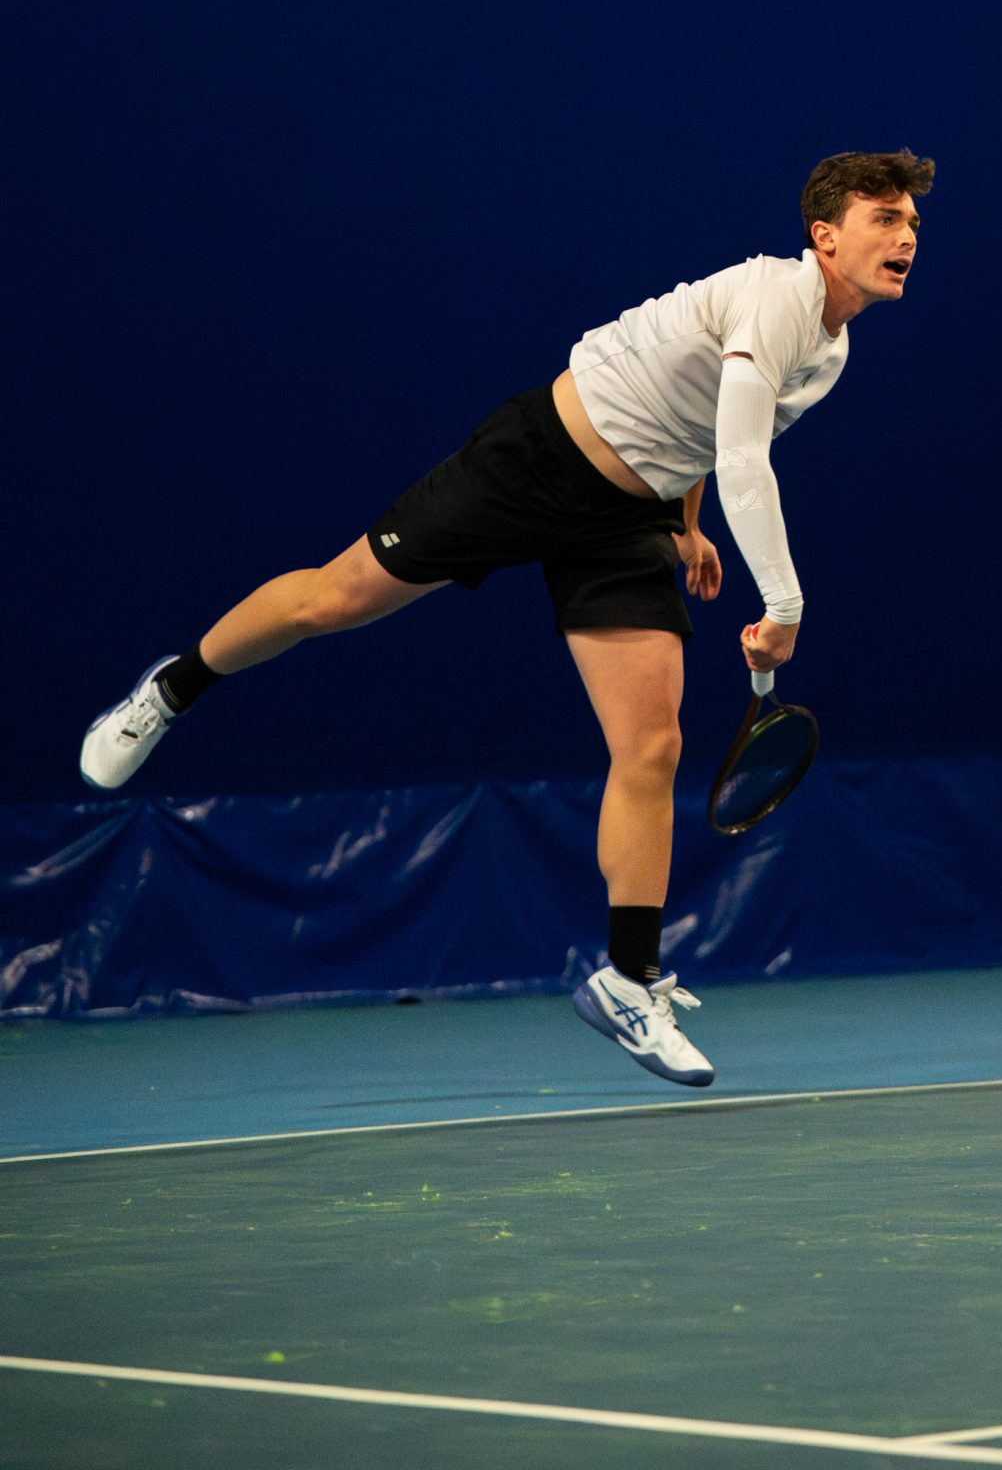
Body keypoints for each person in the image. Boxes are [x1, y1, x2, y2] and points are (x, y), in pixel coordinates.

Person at [78, 148, 932, 1087]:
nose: (906, 237)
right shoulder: (775, 299)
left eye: (912, 224)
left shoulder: (830, 350)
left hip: (628, 522)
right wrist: (786, 605)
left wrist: (685, 526)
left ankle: (628, 982)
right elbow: (742, 459)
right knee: (333, 599)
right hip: (538, 463)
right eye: (885, 218)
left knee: (652, 746)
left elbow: (707, 431)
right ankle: (171, 689)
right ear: (825, 236)